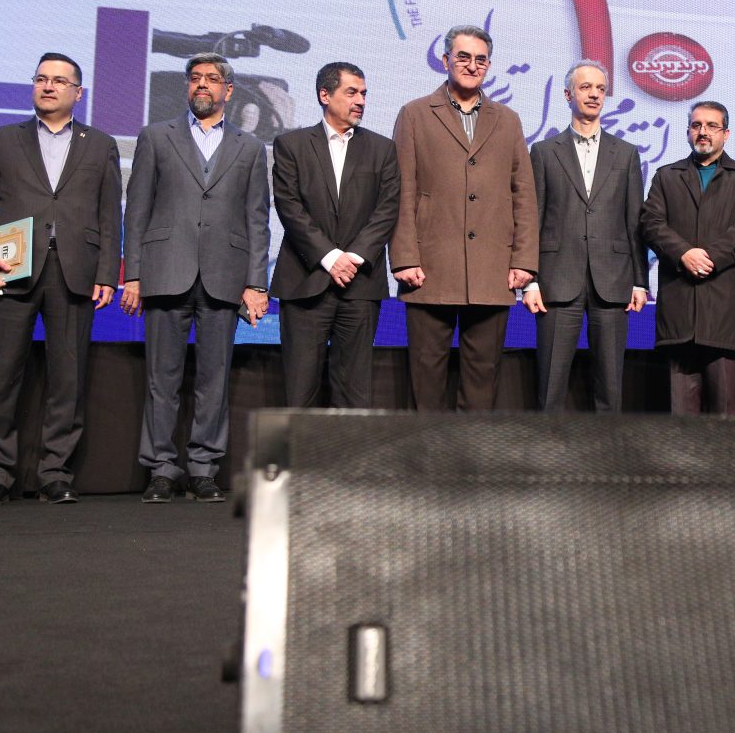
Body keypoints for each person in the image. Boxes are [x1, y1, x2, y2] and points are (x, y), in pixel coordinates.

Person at [0, 53, 122, 505]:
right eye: (41, 79)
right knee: (0, 377)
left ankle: (55, 474)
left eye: (59, 81)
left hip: (76, 272)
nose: (48, 86)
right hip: (10, 271)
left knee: (68, 379)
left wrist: (108, 272)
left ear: (78, 93)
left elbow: (110, 214)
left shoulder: (100, 144)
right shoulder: (2, 139)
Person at [120, 53, 269, 503]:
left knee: (213, 380)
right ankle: (161, 468)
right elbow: (137, 210)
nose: (202, 84)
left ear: (229, 90)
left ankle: (204, 467)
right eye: (196, 78)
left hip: (225, 276)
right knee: (161, 380)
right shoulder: (155, 136)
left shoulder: (250, 147)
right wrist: (133, 275)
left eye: (212, 79)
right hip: (165, 271)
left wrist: (256, 283)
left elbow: (257, 219)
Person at [390, 25, 537, 411]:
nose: (472, 66)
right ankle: (427, 451)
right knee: (426, 377)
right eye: (464, 57)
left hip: (492, 267)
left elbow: (523, 194)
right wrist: (404, 257)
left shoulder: (508, 119)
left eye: (481, 60)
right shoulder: (415, 114)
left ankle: (470, 451)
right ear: (445, 61)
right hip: (429, 266)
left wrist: (524, 261)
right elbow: (401, 190)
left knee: (483, 379)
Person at [270, 62, 399, 409]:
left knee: (355, 394)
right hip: (305, 281)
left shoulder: (383, 149)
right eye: (351, 92)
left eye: (364, 94)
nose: (361, 101)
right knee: (300, 392)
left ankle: (348, 450)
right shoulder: (291, 145)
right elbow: (289, 207)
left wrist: (352, 258)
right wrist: (329, 258)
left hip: (360, 285)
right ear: (324, 95)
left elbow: (387, 210)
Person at [523, 61, 647, 410]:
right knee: (550, 387)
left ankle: (606, 446)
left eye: (600, 89)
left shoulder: (626, 153)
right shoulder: (544, 152)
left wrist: (639, 281)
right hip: (556, 280)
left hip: (613, 280)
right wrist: (530, 281)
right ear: (568, 95)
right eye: (585, 87)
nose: (594, 94)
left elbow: (634, 221)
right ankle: (548, 445)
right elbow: (532, 219)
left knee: (610, 389)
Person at [641, 100, 735, 415]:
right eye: (696, 125)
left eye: (712, 126)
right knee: (682, 421)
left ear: (726, 133)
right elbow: (651, 223)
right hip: (679, 316)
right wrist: (683, 253)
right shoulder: (666, 176)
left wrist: (709, 257)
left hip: (724, 315)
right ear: (688, 131)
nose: (703, 132)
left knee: (725, 416)